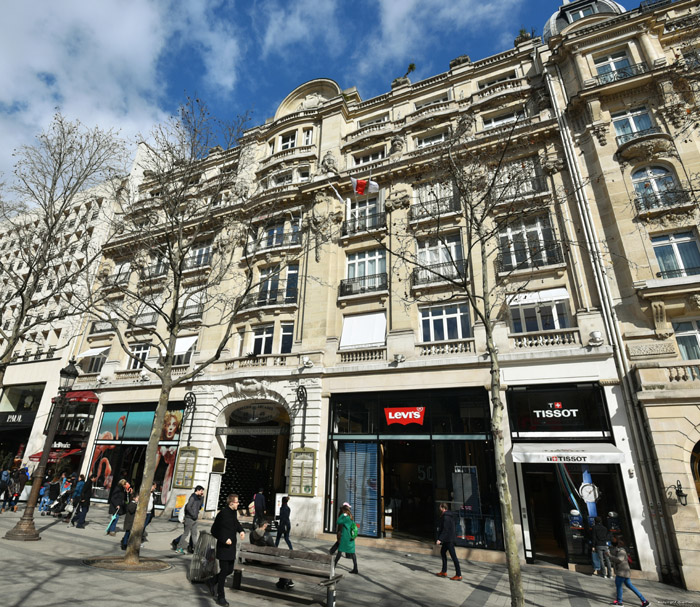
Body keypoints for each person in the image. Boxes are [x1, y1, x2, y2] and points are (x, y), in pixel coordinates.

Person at [208, 493, 245, 607]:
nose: (238, 503)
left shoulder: (233, 512)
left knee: (230, 570)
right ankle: (221, 597)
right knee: (224, 572)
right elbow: (214, 530)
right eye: (237, 502)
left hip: (231, 547)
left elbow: (236, 523)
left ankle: (212, 581)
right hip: (224, 547)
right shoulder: (223, 513)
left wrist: (241, 530)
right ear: (231, 503)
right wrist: (224, 539)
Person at [610, 537, 649, 606]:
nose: (616, 543)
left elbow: (619, 559)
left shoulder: (621, 551)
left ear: (620, 543)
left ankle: (619, 602)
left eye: (618, 542)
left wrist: (609, 556)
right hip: (625, 572)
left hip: (622, 572)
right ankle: (644, 601)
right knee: (630, 586)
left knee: (619, 587)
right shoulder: (620, 550)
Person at [436, 502, 462, 581]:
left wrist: (440, 539)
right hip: (448, 539)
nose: (439, 508)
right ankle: (444, 571)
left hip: (449, 540)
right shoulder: (449, 515)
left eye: (440, 506)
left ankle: (458, 574)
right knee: (443, 552)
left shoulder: (446, 517)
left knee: (454, 557)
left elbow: (445, 529)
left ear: (442, 508)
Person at [176, 485, 205, 554]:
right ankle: (179, 548)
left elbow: (200, 507)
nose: (202, 492)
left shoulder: (198, 498)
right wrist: (193, 515)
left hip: (194, 519)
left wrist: (202, 498)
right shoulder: (192, 497)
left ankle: (196, 548)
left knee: (194, 534)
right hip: (189, 518)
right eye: (201, 491)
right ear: (197, 490)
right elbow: (188, 507)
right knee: (186, 533)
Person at [334, 504, 358, 574]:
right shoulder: (351, 517)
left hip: (345, 537)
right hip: (351, 537)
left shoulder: (346, 518)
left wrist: (342, 515)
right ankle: (355, 568)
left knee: (339, 552)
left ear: (344, 511)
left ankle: (333, 566)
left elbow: (338, 522)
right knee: (353, 553)